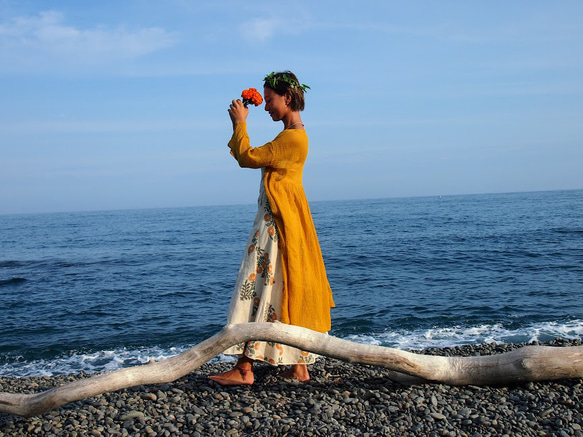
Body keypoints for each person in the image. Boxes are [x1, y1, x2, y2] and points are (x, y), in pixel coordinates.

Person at [209, 71, 335, 386]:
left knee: (254, 287)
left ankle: (245, 368)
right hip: (281, 222)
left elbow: (248, 157)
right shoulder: (293, 136)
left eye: (269, 100)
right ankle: (297, 366)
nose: (266, 107)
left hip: (274, 226)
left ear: (287, 98)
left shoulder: (291, 138)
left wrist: (240, 123)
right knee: (278, 291)